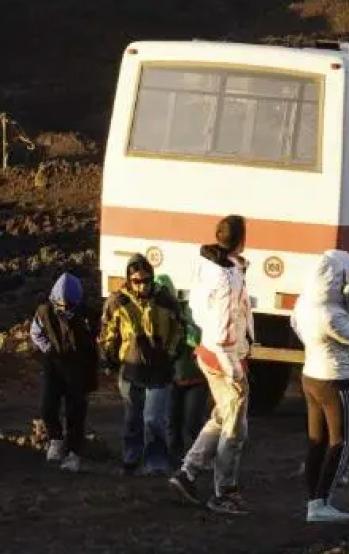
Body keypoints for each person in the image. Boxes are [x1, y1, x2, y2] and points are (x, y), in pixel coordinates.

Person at [168, 216, 254, 516]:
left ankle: (188, 473)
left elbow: (198, 309)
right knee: (234, 427)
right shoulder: (227, 278)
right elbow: (222, 334)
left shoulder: (209, 265)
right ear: (241, 239)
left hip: (210, 353)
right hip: (225, 358)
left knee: (222, 416)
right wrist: (235, 371)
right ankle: (223, 492)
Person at [291, 249, 349, 522]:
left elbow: (306, 323)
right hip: (335, 381)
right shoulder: (329, 315)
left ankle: (314, 500)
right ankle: (323, 502)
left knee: (316, 442)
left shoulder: (305, 304)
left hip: (311, 377)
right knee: (341, 441)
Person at [100, 254, 182, 476]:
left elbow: (178, 330)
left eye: (146, 280)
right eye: (137, 281)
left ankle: (156, 463)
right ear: (129, 279)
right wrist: (108, 358)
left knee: (154, 419)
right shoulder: (118, 302)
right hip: (131, 366)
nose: (142, 285)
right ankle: (131, 458)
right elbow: (108, 333)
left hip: (159, 368)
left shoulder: (166, 301)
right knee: (133, 418)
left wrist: (172, 353)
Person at [29, 272, 99, 473]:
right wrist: (48, 349)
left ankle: (74, 453)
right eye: (61, 306)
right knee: (47, 406)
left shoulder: (88, 316)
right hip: (55, 365)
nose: (65, 310)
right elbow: (36, 333)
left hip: (80, 367)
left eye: (69, 306)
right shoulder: (45, 313)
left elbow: (100, 337)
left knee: (75, 412)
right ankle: (56, 439)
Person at [154, 274, 207, 466]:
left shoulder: (186, 313)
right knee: (171, 422)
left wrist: (186, 329)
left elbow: (197, 338)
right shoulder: (153, 316)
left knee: (193, 423)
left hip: (194, 377)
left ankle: (199, 458)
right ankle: (175, 460)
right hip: (171, 378)